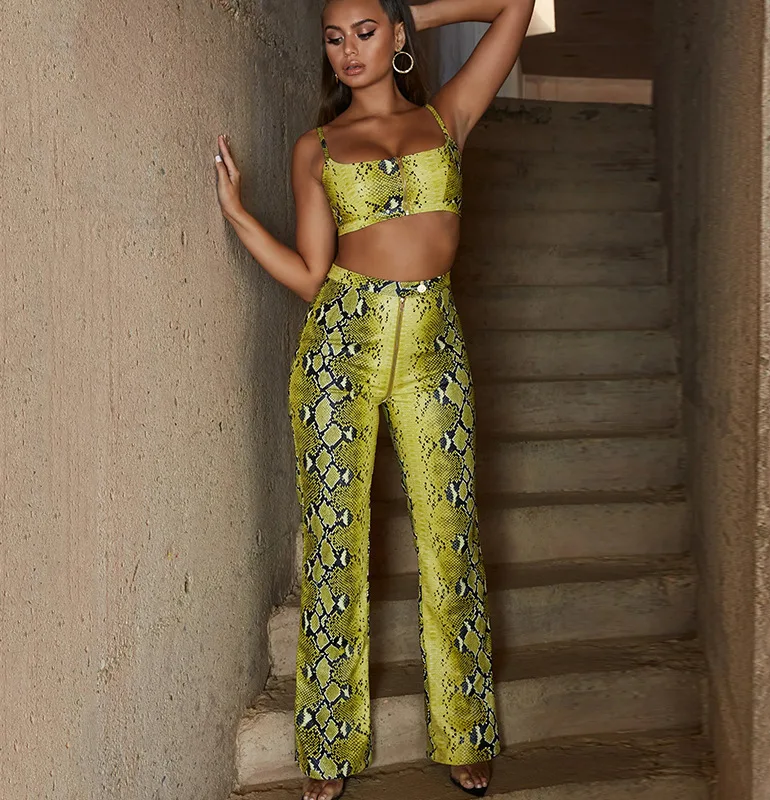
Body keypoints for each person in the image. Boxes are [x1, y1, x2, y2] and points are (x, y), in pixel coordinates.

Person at [214, 1, 534, 797]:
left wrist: (405, 11)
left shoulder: (447, 117)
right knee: (336, 545)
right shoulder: (317, 146)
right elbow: (311, 275)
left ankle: (464, 731)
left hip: (433, 347)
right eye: (334, 37)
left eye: (364, 32)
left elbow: (517, 6)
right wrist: (242, 219)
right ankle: (327, 748)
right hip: (340, 349)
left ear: (394, 36)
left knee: (450, 535)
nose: (348, 50)